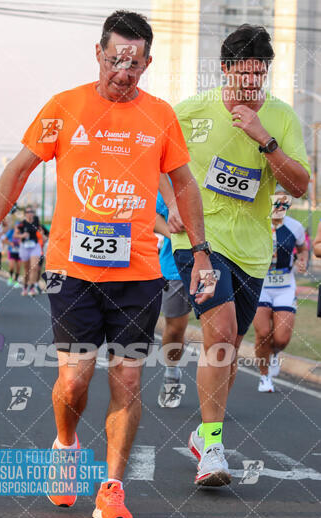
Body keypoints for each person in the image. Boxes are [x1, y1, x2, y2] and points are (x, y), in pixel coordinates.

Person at [0, 10, 213, 518]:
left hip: (139, 273)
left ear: (147, 63)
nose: (123, 72)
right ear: (98, 54)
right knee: (74, 381)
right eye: (116, 59)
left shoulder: (160, 115)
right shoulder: (65, 106)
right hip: (72, 271)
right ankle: (65, 445)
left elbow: (184, 183)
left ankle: (113, 487)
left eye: (135, 63)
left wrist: (200, 250)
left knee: (126, 380)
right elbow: (16, 172)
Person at [167, 24, 310, 486]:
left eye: (260, 74)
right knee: (223, 332)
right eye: (245, 73)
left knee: (225, 351)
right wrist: (168, 202)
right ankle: (212, 450)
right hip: (199, 242)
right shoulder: (190, 112)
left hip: (252, 251)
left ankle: (203, 434)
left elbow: (301, 185)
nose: (253, 83)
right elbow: (151, 159)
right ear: (225, 69)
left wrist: (264, 139)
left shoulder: (282, 118)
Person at [253, 191, 308, 392]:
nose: (279, 208)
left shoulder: (295, 227)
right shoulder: (258, 224)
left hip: (285, 286)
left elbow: (302, 249)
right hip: (261, 287)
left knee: (281, 338)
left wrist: (302, 260)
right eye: (276, 203)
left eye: (284, 205)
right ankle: (264, 377)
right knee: (263, 332)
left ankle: (274, 353)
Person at [155, 188, 192, 408]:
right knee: (175, 328)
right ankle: (172, 371)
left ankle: (215, 396)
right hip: (177, 264)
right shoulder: (172, 179)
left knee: (219, 331)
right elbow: (153, 216)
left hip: (218, 262)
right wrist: (177, 237)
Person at [14, 207, 42, 296]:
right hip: (24, 247)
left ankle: (32, 287)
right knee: (26, 269)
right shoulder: (22, 224)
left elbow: (40, 229)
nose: (30, 213)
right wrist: (22, 235)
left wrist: (42, 236)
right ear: (25, 214)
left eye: (31, 211)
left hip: (35, 246)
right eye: (28, 212)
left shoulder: (36, 220)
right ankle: (25, 286)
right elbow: (15, 235)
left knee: (34, 267)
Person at [4, 222, 21, 287]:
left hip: (19, 252)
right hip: (12, 251)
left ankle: (16, 281)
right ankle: (11, 278)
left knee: (18, 268)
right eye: (17, 227)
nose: (18, 228)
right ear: (15, 226)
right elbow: (4, 240)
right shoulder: (11, 231)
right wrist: (10, 243)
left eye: (19, 227)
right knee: (11, 266)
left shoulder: (22, 233)